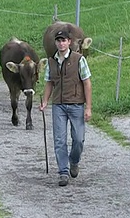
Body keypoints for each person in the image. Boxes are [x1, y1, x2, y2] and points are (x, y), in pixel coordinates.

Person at [39, 30, 92, 187]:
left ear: (70, 42)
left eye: (64, 40)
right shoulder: (51, 61)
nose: (61, 43)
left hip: (76, 104)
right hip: (59, 106)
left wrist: (88, 107)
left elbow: (87, 82)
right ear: (55, 43)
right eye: (58, 41)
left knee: (78, 139)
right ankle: (63, 172)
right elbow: (49, 82)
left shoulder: (79, 59)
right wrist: (45, 101)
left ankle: (74, 161)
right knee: (59, 140)